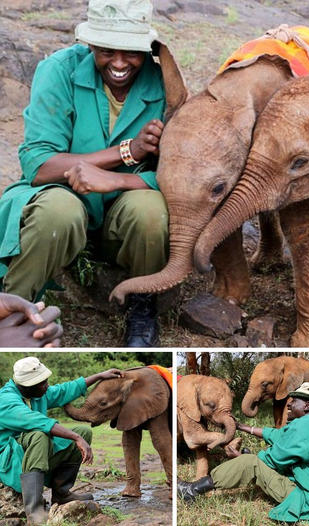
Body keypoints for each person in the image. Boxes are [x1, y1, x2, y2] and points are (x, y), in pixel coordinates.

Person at [0, 0, 169, 347]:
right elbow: (39, 164)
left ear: (147, 49)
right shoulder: (59, 71)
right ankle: (15, 311)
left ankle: (141, 307)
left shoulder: (165, 85)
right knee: (57, 211)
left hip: (123, 217)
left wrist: (119, 179)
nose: (119, 63)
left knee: (151, 210)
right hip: (63, 202)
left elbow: (179, 175)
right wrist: (127, 152)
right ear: (89, 44)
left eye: (131, 53)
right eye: (107, 50)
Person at [178, 382, 309, 526]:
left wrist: (241, 459)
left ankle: (193, 490)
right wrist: (243, 426)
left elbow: (271, 461)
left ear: (307, 405)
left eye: (294, 401)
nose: (289, 404)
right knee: (254, 459)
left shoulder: (304, 428)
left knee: (250, 462)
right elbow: (278, 436)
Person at [0, 356, 123, 524]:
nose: (47, 386)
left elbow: (63, 390)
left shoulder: (36, 393)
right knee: (40, 435)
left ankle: (61, 493)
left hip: (32, 454)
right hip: (10, 461)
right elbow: (37, 422)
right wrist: (75, 437)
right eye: (42, 384)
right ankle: (34, 509)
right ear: (26, 387)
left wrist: (99, 376)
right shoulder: (6, 402)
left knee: (83, 431)